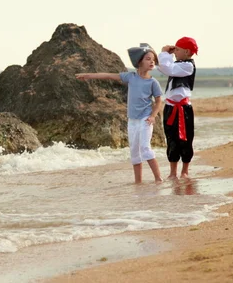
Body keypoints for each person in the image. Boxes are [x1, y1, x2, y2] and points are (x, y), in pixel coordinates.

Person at [75, 48, 163, 184]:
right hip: (132, 121)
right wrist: (88, 75)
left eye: (153, 60)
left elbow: (158, 102)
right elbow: (109, 76)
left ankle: (158, 179)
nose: (152, 62)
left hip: (145, 120)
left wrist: (153, 116)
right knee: (134, 152)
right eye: (148, 59)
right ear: (139, 62)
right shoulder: (131, 77)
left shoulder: (153, 82)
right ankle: (138, 182)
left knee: (145, 148)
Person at [157, 37, 199, 179]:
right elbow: (162, 66)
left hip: (183, 108)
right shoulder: (176, 64)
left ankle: (184, 171)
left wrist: (164, 53)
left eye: (178, 50)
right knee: (171, 138)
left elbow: (167, 68)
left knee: (186, 139)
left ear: (187, 51)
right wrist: (167, 55)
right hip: (170, 107)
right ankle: (173, 172)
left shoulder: (188, 66)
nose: (175, 52)